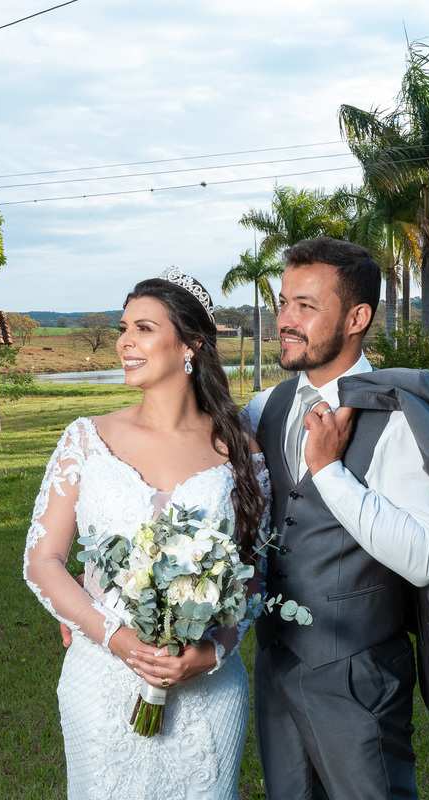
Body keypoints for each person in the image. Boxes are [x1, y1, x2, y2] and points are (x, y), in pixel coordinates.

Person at [243, 237, 429, 799]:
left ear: (357, 317)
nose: (285, 321)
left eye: (305, 306)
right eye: (282, 302)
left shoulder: (397, 418)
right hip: (275, 667)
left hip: (357, 675)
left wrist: (329, 473)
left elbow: (422, 559)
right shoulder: (264, 407)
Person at [24, 268, 270, 799]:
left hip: (207, 688)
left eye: (143, 328)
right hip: (102, 679)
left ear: (191, 343)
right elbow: (42, 561)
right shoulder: (85, 440)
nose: (124, 343)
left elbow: (256, 573)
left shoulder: (239, 448)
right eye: (123, 328)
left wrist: (215, 652)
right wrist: (116, 638)